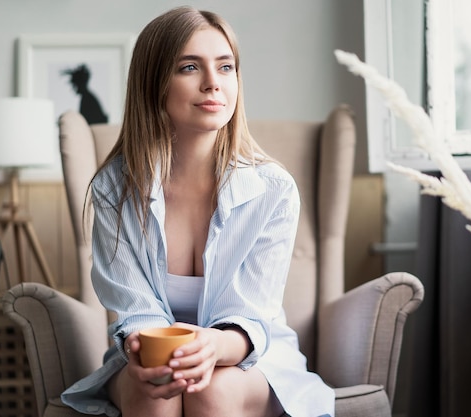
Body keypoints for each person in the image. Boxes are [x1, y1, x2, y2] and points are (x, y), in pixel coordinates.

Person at [61, 6, 334, 417]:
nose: (213, 83)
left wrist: (213, 347)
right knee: (158, 393)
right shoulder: (113, 190)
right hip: (148, 357)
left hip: (249, 355)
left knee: (212, 391)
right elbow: (135, 311)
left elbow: (249, 317)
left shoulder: (273, 191)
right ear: (154, 84)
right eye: (190, 67)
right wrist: (148, 352)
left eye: (226, 67)